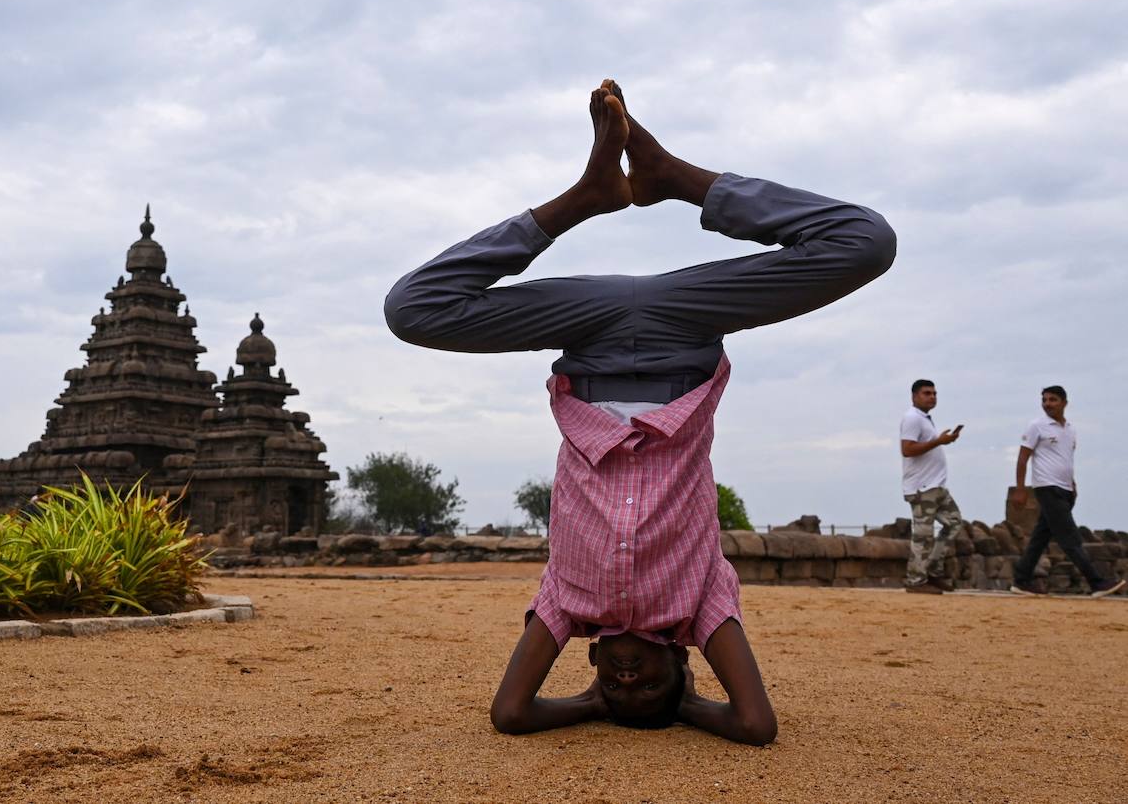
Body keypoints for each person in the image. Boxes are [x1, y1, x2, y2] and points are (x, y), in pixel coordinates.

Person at [384, 80, 896, 743]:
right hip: (684, 331)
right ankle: (673, 176)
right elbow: (755, 724)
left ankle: (582, 198)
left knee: (412, 310)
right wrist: (681, 709)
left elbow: (511, 714)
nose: (630, 677)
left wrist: (593, 706)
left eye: (617, 684)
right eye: (650, 684)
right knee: (867, 242)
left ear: (591, 661)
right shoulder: (702, 606)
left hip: (589, 335)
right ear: (684, 662)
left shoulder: (568, 606)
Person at [1010, 386, 1125, 597]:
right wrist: (1020, 488)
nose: (1047, 404)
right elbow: (1023, 458)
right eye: (1044, 400)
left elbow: (1065, 459)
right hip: (1047, 488)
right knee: (1070, 537)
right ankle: (1096, 582)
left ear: (1064, 402)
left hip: (1065, 490)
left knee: (1041, 537)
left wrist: (1072, 484)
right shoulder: (1037, 426)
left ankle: (1021, 580)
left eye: (1052, 400)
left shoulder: (1070, 429)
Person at [898, 380, 963, 594]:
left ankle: (932, 572)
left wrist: (942, 440)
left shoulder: (924, 419)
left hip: (936, 487)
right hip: (921, 487)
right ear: (914, 396)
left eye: (934, 393)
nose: (932, 397)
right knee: (923, 535)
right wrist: (939, 441)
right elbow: (907, 449)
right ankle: (916, 580)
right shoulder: (912, 418)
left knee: (953, 523)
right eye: (927, 393)